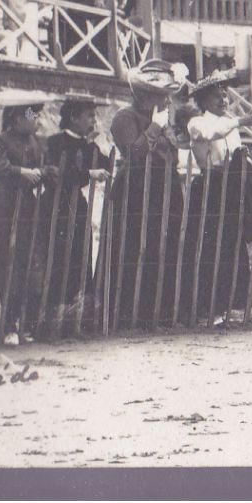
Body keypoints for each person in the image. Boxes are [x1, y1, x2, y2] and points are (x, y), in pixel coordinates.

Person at [0, 89, 57, 345]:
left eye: (37, 114)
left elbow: (49, 168)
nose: (37, 119)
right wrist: (20, 172)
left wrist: (43, 172)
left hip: (30, 209)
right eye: (32, 114)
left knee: (29, 267)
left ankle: (24, 322)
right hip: (5, 210)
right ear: (17, 119)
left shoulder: (39, 142)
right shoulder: (1, 141)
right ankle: (6, 325)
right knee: (7, 266)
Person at [109, 60, 186, 327]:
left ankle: (160, 311)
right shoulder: (124, 118)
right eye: (159, 95)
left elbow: (172, 155)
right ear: (143, 95)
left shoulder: (165, 119)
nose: (165, 101)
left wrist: (164, 131)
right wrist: (154, 127)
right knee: (133, 248)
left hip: (164, 188)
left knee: (163, 247)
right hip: (136, 190)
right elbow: (134, 153)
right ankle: (128, 313)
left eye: (166, 95)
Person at [183, 72, 252, 325]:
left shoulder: (229, 122)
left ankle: (229, 305)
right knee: (209, 244)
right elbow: (211, 136)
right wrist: (239, 121)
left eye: (225, 95)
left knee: (232, 243)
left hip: (231, 187)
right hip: (211, 185)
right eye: (216, 96)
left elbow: (234, 150)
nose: (223, 100)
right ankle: (208, 308)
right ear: (203, 101)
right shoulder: (198, 122)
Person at [39, 95, 114, 334]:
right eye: (90, 115)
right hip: (55, 207)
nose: (94, 120)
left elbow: (107, 165)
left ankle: (75, 318)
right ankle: (51, 319)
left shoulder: (89, 145)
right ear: (73, 117)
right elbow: (59, 174)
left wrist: (93, 145)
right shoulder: (53, 143)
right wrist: (88, 174)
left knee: (80, 258)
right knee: (57, 259)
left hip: (77, 207)